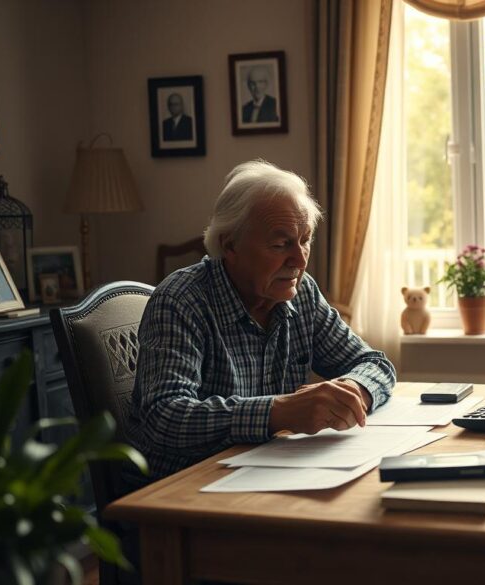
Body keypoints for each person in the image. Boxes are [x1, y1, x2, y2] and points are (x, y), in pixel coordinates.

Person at [127, 159, 396, 482]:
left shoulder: (302, 293)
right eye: (280, 244)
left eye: (305, 240)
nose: (299, 259)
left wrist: (353, 391)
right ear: (230, 245)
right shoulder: (181, 301)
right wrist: (278, 411)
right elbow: (165, 416)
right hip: (186, 489)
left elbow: (375, 364)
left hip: (267, 472)